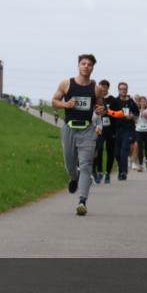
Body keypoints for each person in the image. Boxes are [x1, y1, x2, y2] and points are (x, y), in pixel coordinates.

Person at [52, 54, 103, 216]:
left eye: (89, 64)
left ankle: (82, 201)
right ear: (78, 66)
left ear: (93, 67)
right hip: (69, 128)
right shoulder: (66, 84)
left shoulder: (96, 88)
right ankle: (74, 177)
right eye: (83, 63)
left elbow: (100, 107)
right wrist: (66, 104)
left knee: (86, 164)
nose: (86, 66)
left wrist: (100, 110)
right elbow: (54, 101)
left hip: (87, 130)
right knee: (69, 164)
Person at [106, 82, 139, 181]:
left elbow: (137, 113)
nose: (123, 90)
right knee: (117, 153)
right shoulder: (115, 101)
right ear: (118, 90)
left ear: (127, 90)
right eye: (121, 89)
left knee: (124, 150)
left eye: (125, 89)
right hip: (117, 129)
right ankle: (121, 170)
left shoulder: (131, 102)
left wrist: (132, 116)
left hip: (128, 129)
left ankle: (124, 172)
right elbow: (109, 113)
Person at [93, 79, 115, 184]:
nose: (103, 89)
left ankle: (108, 173)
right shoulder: (95, 98)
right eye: (101, 86)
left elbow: (119, 113)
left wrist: (108, 112)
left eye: (105, 87)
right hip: (99, 129)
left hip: (111, 129)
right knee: (98, 150)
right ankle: (99, 172)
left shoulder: (113, 100)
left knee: (110, 152)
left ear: (108, 88)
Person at [134, 96, 147, 171]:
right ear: (139, 102)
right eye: (141, 101)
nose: (143, 103)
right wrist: (134, 119)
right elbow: (133, 118)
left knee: (146, 148)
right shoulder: (136, 109)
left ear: (146, 102)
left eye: (144, 101)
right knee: (140, 148)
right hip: (138, 131)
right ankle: (140, 165)